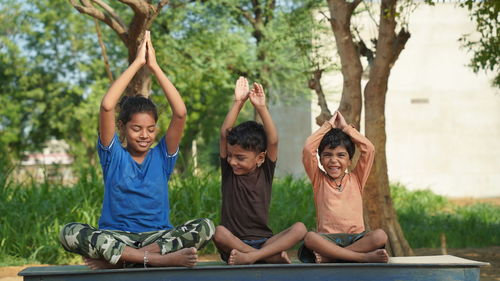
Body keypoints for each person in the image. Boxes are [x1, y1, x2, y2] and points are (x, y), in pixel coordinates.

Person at [59, 31, 214, 269]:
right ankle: (153, 261)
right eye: (136, 129)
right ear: (122, 127)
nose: (145, 135)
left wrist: (154, 66)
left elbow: (180, 113)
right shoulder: (113, 155)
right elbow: (107, 105)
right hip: (117, 236)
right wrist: (137, 63)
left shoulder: (162, 156)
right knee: (69, 232)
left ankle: (123, 259)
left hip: (157, 238)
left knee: (205, 226)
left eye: (151, 129)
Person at [212, 77, 307, 265]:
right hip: (234, 244)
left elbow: (273, 141)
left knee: (300, 228)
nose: (232, 162)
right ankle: (266, 257)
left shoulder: (265, 171)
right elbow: (224, 133)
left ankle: (253, 257)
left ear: (260, 158)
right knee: (218, 232)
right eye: (230, 156)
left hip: (264, 241)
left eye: (240, 158)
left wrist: (261, 108)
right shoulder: (230, 172)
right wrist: (238, 102)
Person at [299, 111, 389, 263]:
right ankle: (361, 257)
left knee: (380, 235)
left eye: (341, 155)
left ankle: (332, 257)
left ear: (349, 160)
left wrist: (346, 128)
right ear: (320, 159)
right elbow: (308, 148)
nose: (334, 160)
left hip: (357, 239)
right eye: (328, 155)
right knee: (309, 237)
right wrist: (327, 126)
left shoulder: (357, 178)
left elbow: (369, 149)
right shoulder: (318, 179)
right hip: (327, 240)